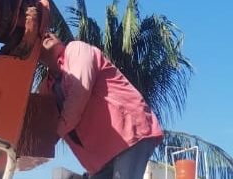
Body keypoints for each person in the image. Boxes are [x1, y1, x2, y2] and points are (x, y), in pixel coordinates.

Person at [39, 30, 164, 179]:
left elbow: (78, 95)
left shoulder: (76, 50)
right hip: (98, 160)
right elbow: (40, 124)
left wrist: (52, 136)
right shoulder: (45, 88)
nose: (46, 33)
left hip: (128, 135)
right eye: (37, 35)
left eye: (49, 30)